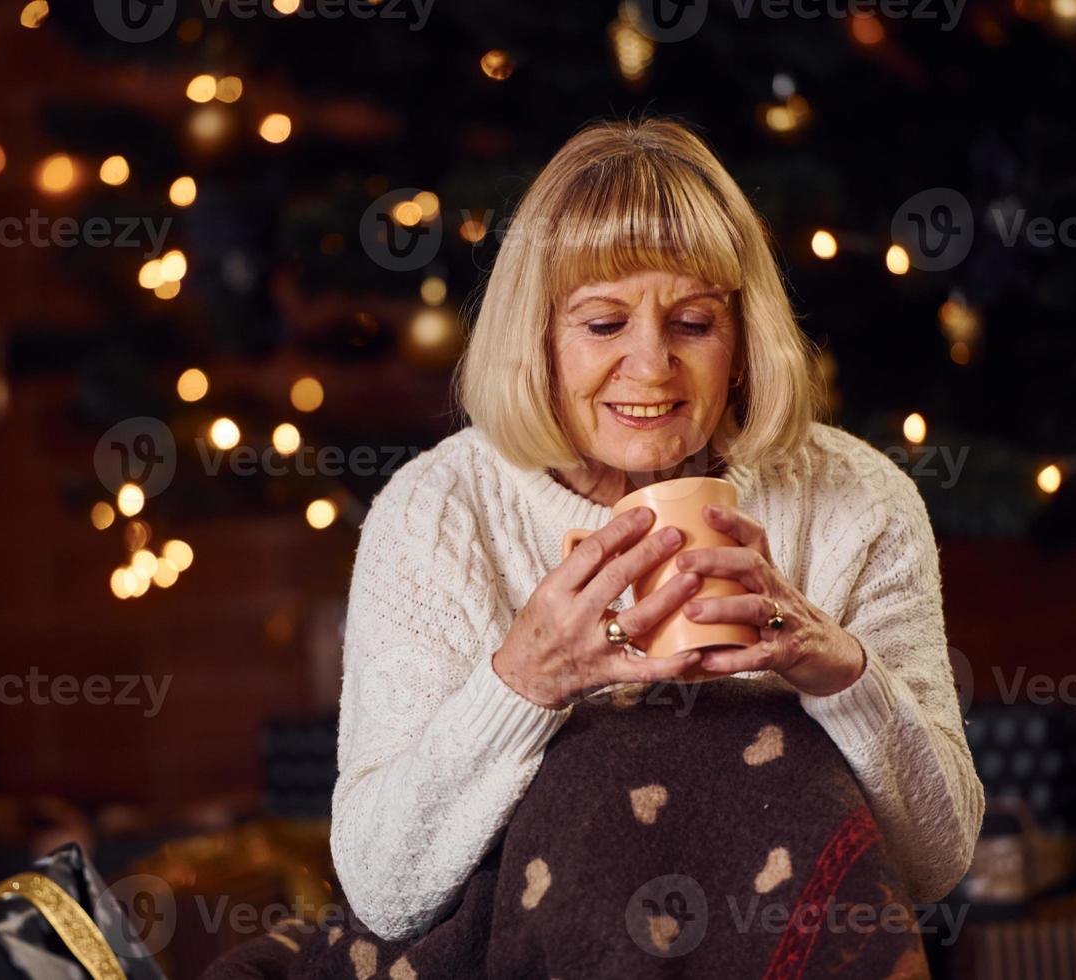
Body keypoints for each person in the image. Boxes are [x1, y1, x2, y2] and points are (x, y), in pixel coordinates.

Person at [329, 116, 983, 944]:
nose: (651, 366)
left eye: (694, 324)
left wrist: (839, 670)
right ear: (540, 341)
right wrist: (522, 683)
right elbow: (385, 891)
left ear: (742, 342)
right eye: (604, 325)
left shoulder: (860, 499)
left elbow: (936, 859)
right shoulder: (434, 512)